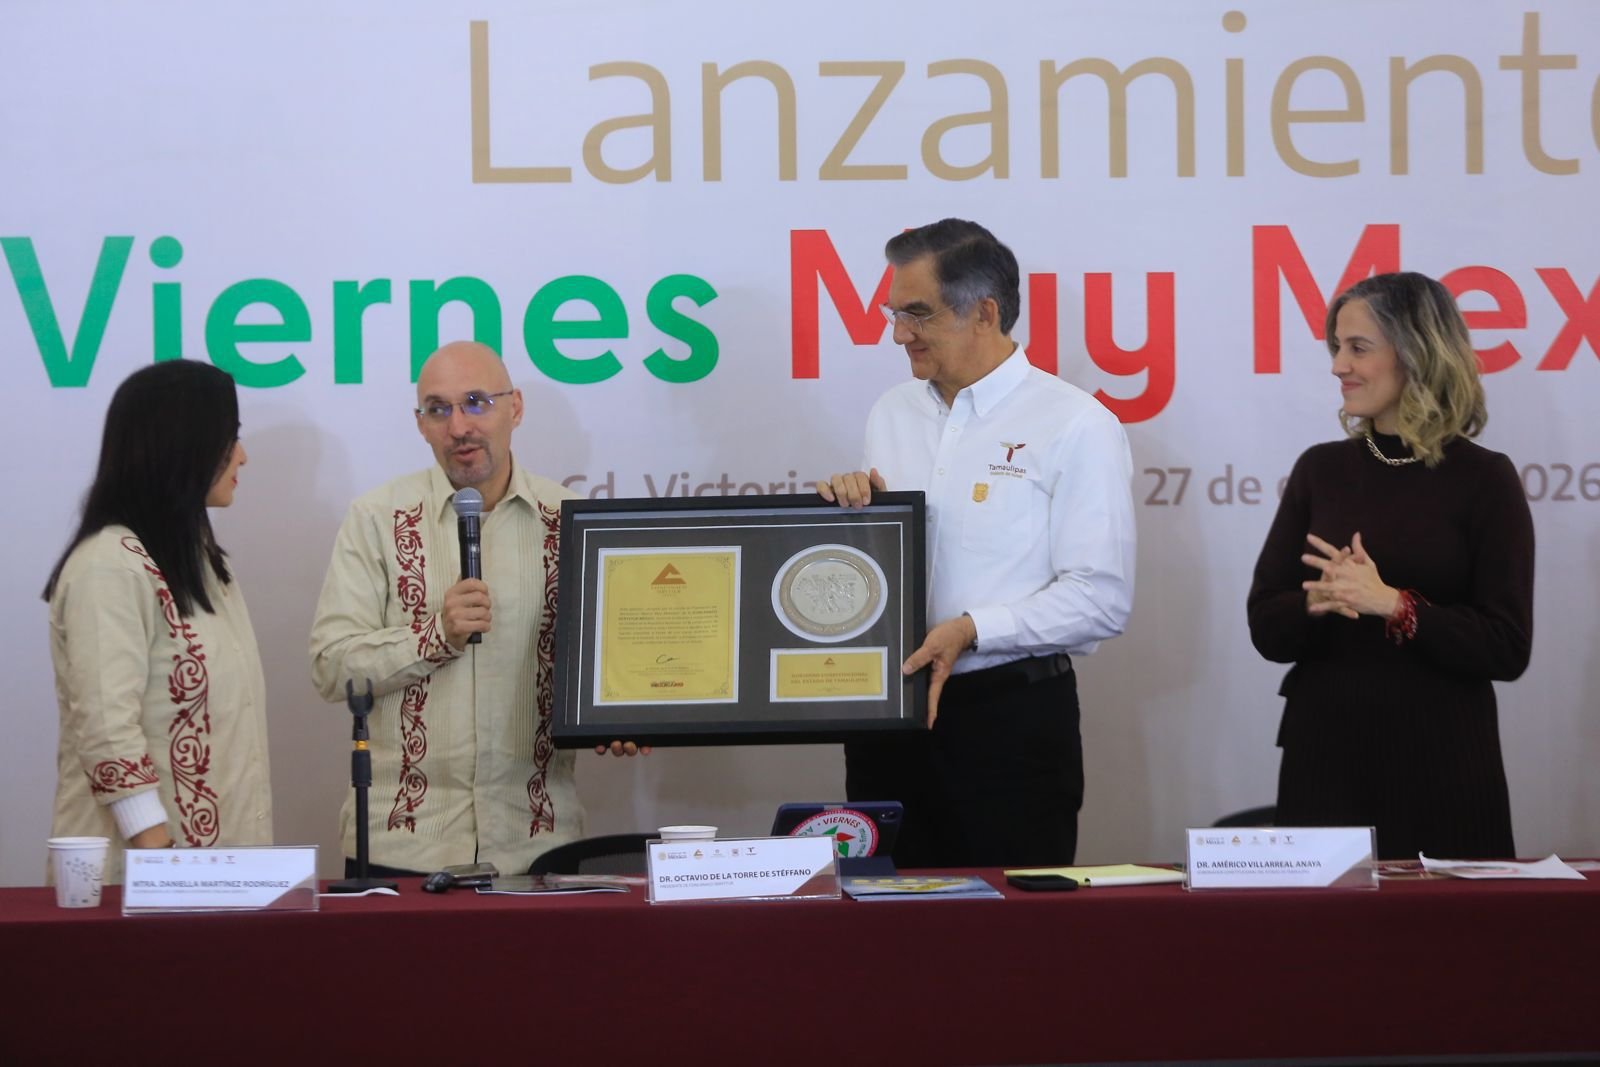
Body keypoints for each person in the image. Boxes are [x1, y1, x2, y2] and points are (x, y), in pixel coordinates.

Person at [819, 218, 1136, 868]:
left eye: (918, 314)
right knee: (884, 915)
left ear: (985, 313)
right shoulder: (891, 412)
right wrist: (845, 521)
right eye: (894, 313)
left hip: (1008, 725)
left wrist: (971, 630)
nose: (899, 334)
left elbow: (1101, 599)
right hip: (891, 720)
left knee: (1008, 927)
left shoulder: (1076, 424)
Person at [309, 341, 641, 878]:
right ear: (420, 424)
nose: (459, 426)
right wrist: (434, 636)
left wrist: (624, 715)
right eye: (439, 409)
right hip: (402, 851)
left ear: (516, 407)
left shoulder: (572, 520)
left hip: (537, 844)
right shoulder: (376, 519)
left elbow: (614, 665)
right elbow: (331, 668)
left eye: (476, 402)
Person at [1247, 271, 1534, 860]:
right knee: (1324, 924)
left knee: (1445, 924)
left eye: (1358, 348)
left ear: (1417, 352)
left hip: (1443, 767)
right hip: (1325, 761)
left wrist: (1394, 604)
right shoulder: (1320, 470)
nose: (1338, 366)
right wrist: (1316, 601)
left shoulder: (1485, 479)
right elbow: (1267, 625)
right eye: (1336, 347)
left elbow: (1507, 647)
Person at [45, 361, 270, 883]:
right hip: (140, 885)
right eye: (230, 438)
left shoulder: (205, 564)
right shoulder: (108, 564)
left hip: (210, 881)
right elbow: (107, 732)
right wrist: (163, 861)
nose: (242, 455)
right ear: (184, 444)